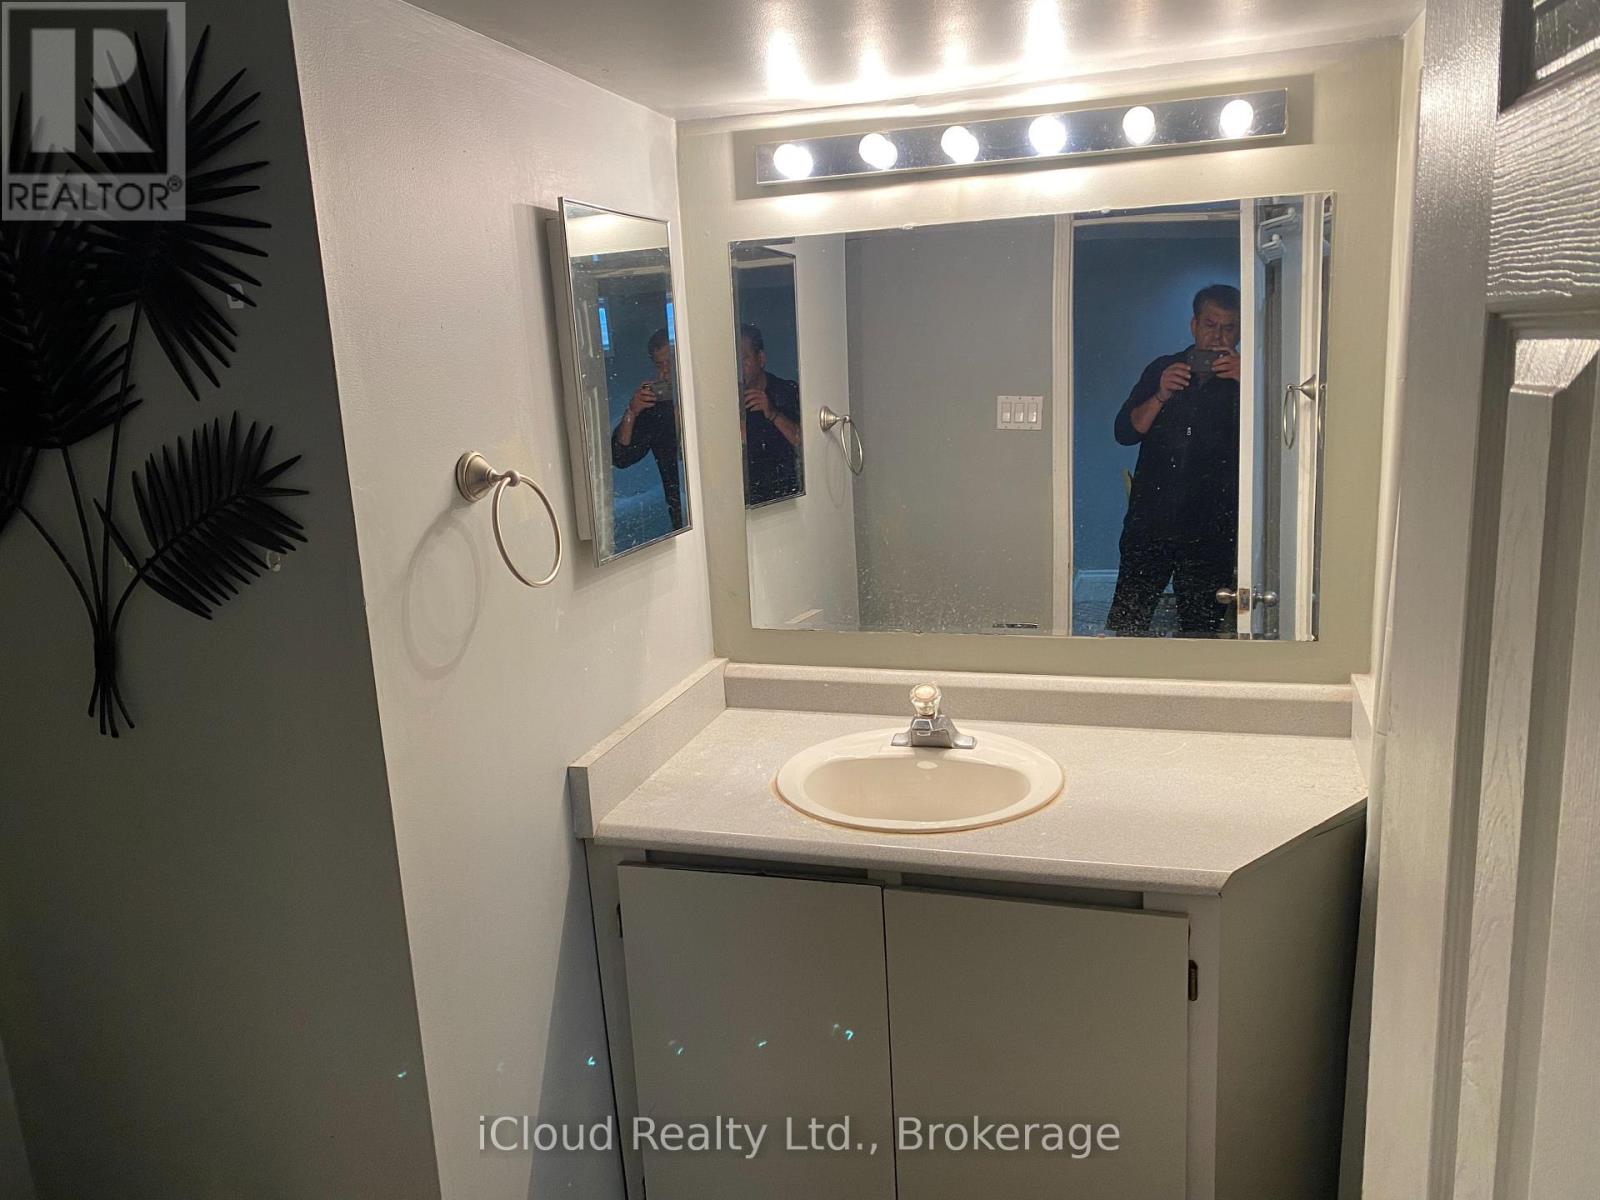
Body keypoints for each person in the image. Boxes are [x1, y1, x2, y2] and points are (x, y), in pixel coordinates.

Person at [1104, 284, 1243, 636]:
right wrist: (1161, 393)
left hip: (1213, 526)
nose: (1217, 336)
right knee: (1129, 623)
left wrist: (1252, 383)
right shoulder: (1162, 368)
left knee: (1200, 630)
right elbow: (1125, 432)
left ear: (1240, 332)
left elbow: (1277, 444)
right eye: (1210, 325)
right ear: (1194, 325)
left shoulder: (1250, 378)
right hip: (1151, 519)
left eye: (1228, 327)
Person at [612, 327, 685, 531]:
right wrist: (632, 412)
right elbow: (621, 457)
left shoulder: (714, 397)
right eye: (660, 365)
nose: (665, 372)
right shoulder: (655, 410)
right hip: (683, 517)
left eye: (671, 362)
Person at [737, 323, 803, 504]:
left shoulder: (786, 391)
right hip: (745, 500)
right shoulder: (727, 401)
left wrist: (772, 413)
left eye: (744, 358)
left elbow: (802, 440)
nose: (739, 367)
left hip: (787, 496)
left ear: (761, 359)